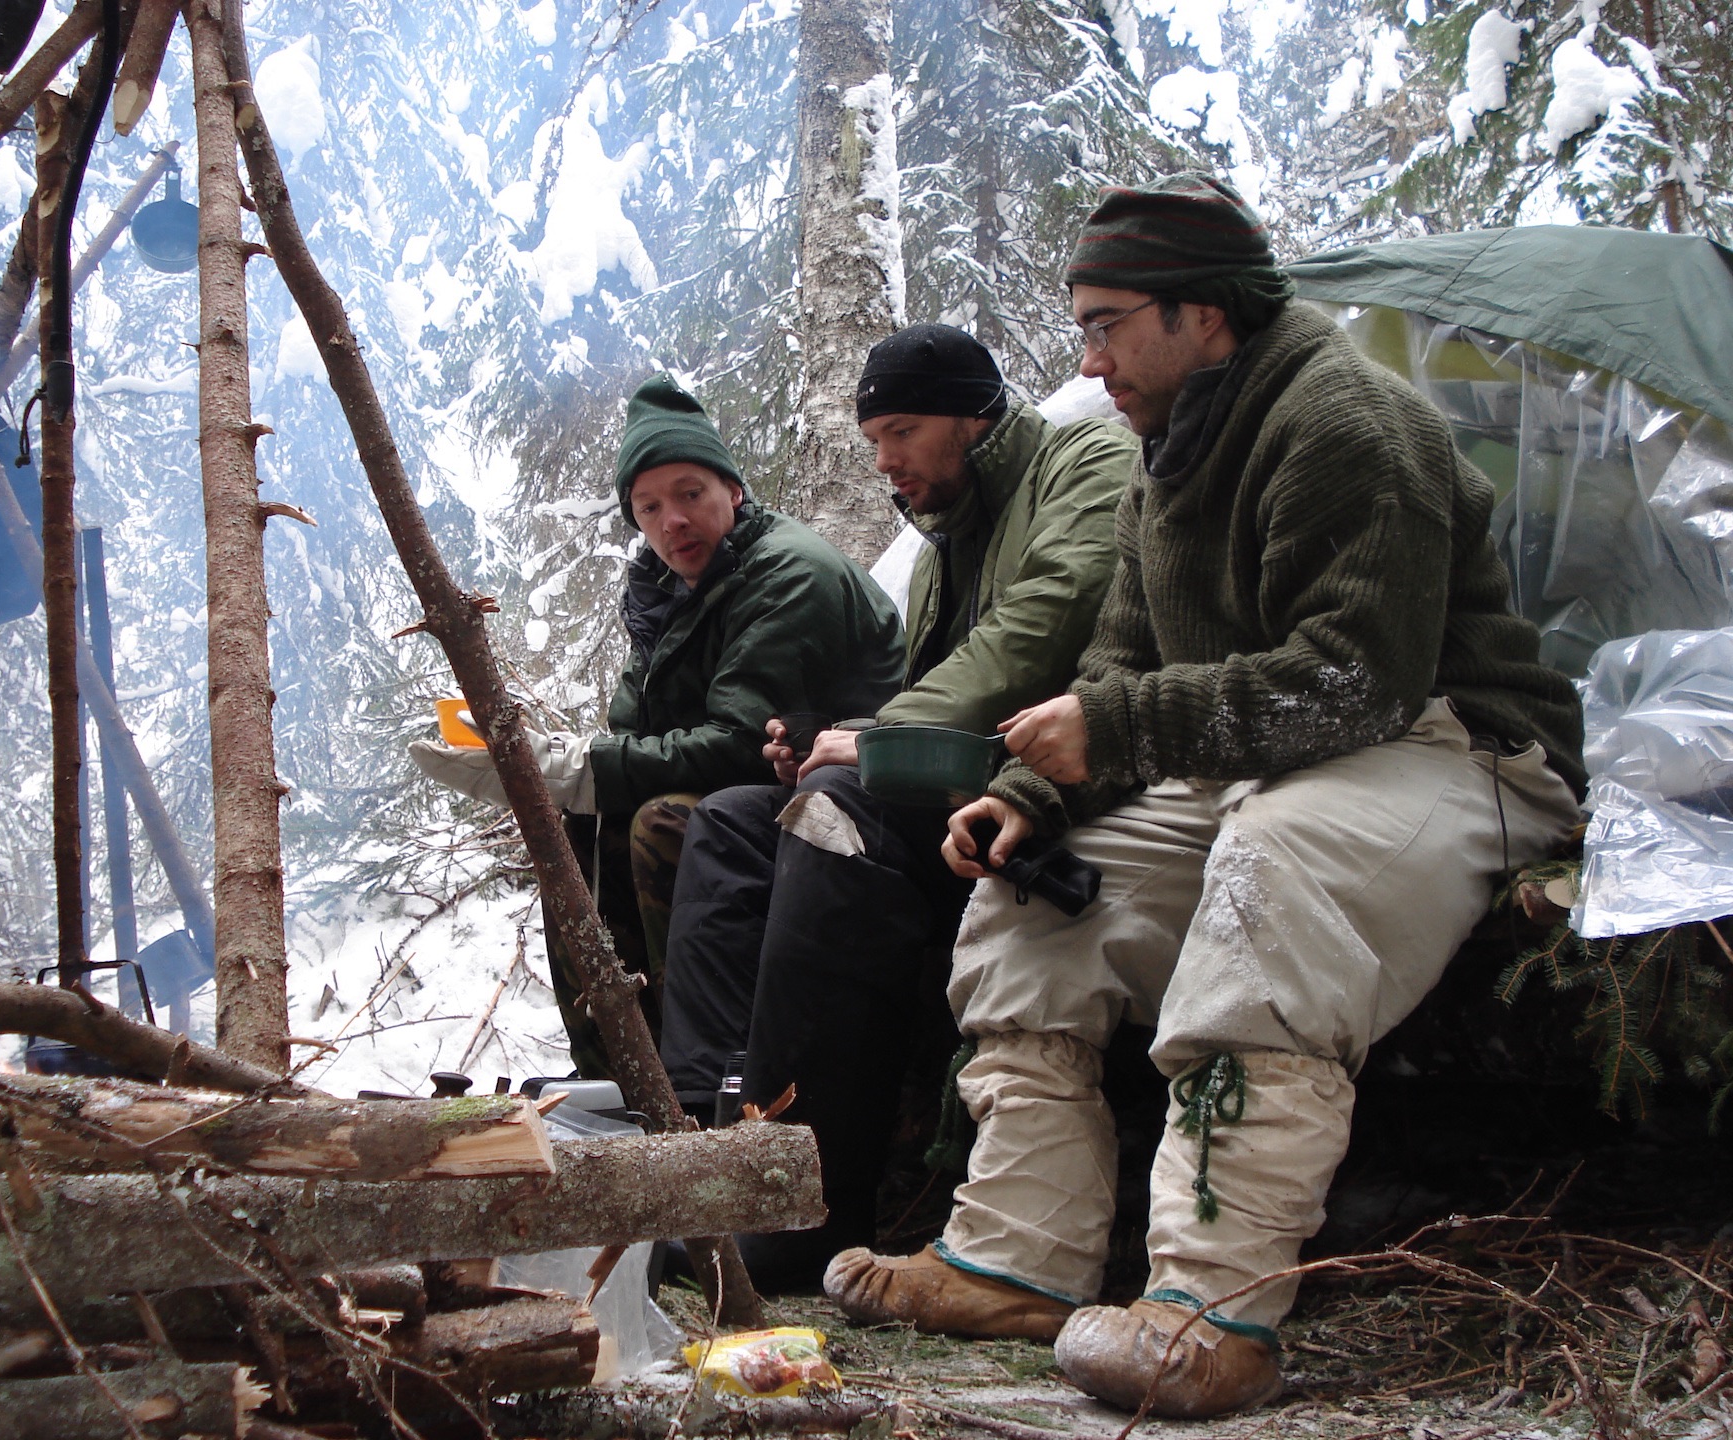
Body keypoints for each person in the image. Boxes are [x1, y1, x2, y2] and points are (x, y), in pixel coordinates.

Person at [822, 173, 1588, 1418]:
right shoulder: (1165, 456)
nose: (1090, 359)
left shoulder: (1347, 423)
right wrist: (1033, 797)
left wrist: (1118, 727)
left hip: (1452, 745)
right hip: (1262, 752)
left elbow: (1358, 679)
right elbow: (1124, 658)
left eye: (1107, 325)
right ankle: (1015, 1261)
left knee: (1272, 872)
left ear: (1205, 314)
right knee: (1034, 905)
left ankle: (1213, 1310)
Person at [657, 325, 1139, 1289]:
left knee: (833, 817)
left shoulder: (1084, 460)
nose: (885, 460)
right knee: (731, 823)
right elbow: (933, 687)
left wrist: (878, 741)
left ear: (973, 415)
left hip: (1060, 787)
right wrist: (832, 733)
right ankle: (703, 1154)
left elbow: (1047, 621)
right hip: (964, 776)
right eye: (875, 438)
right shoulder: (948, 534)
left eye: (903, 432)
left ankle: (799, 1213)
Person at [413, 375, 905, 1077]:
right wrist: (565, 768)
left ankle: (692, 1072)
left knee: (662, 821)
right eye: (649, 507)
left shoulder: (788, 574)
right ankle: (616, 1071)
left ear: (733, 491)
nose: (672, 520)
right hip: (764, 786)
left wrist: (581, 768)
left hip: (849, 798)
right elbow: (634, 726)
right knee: (580, 827)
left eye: (690, 494)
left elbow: (740, 742)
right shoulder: (669, 593)